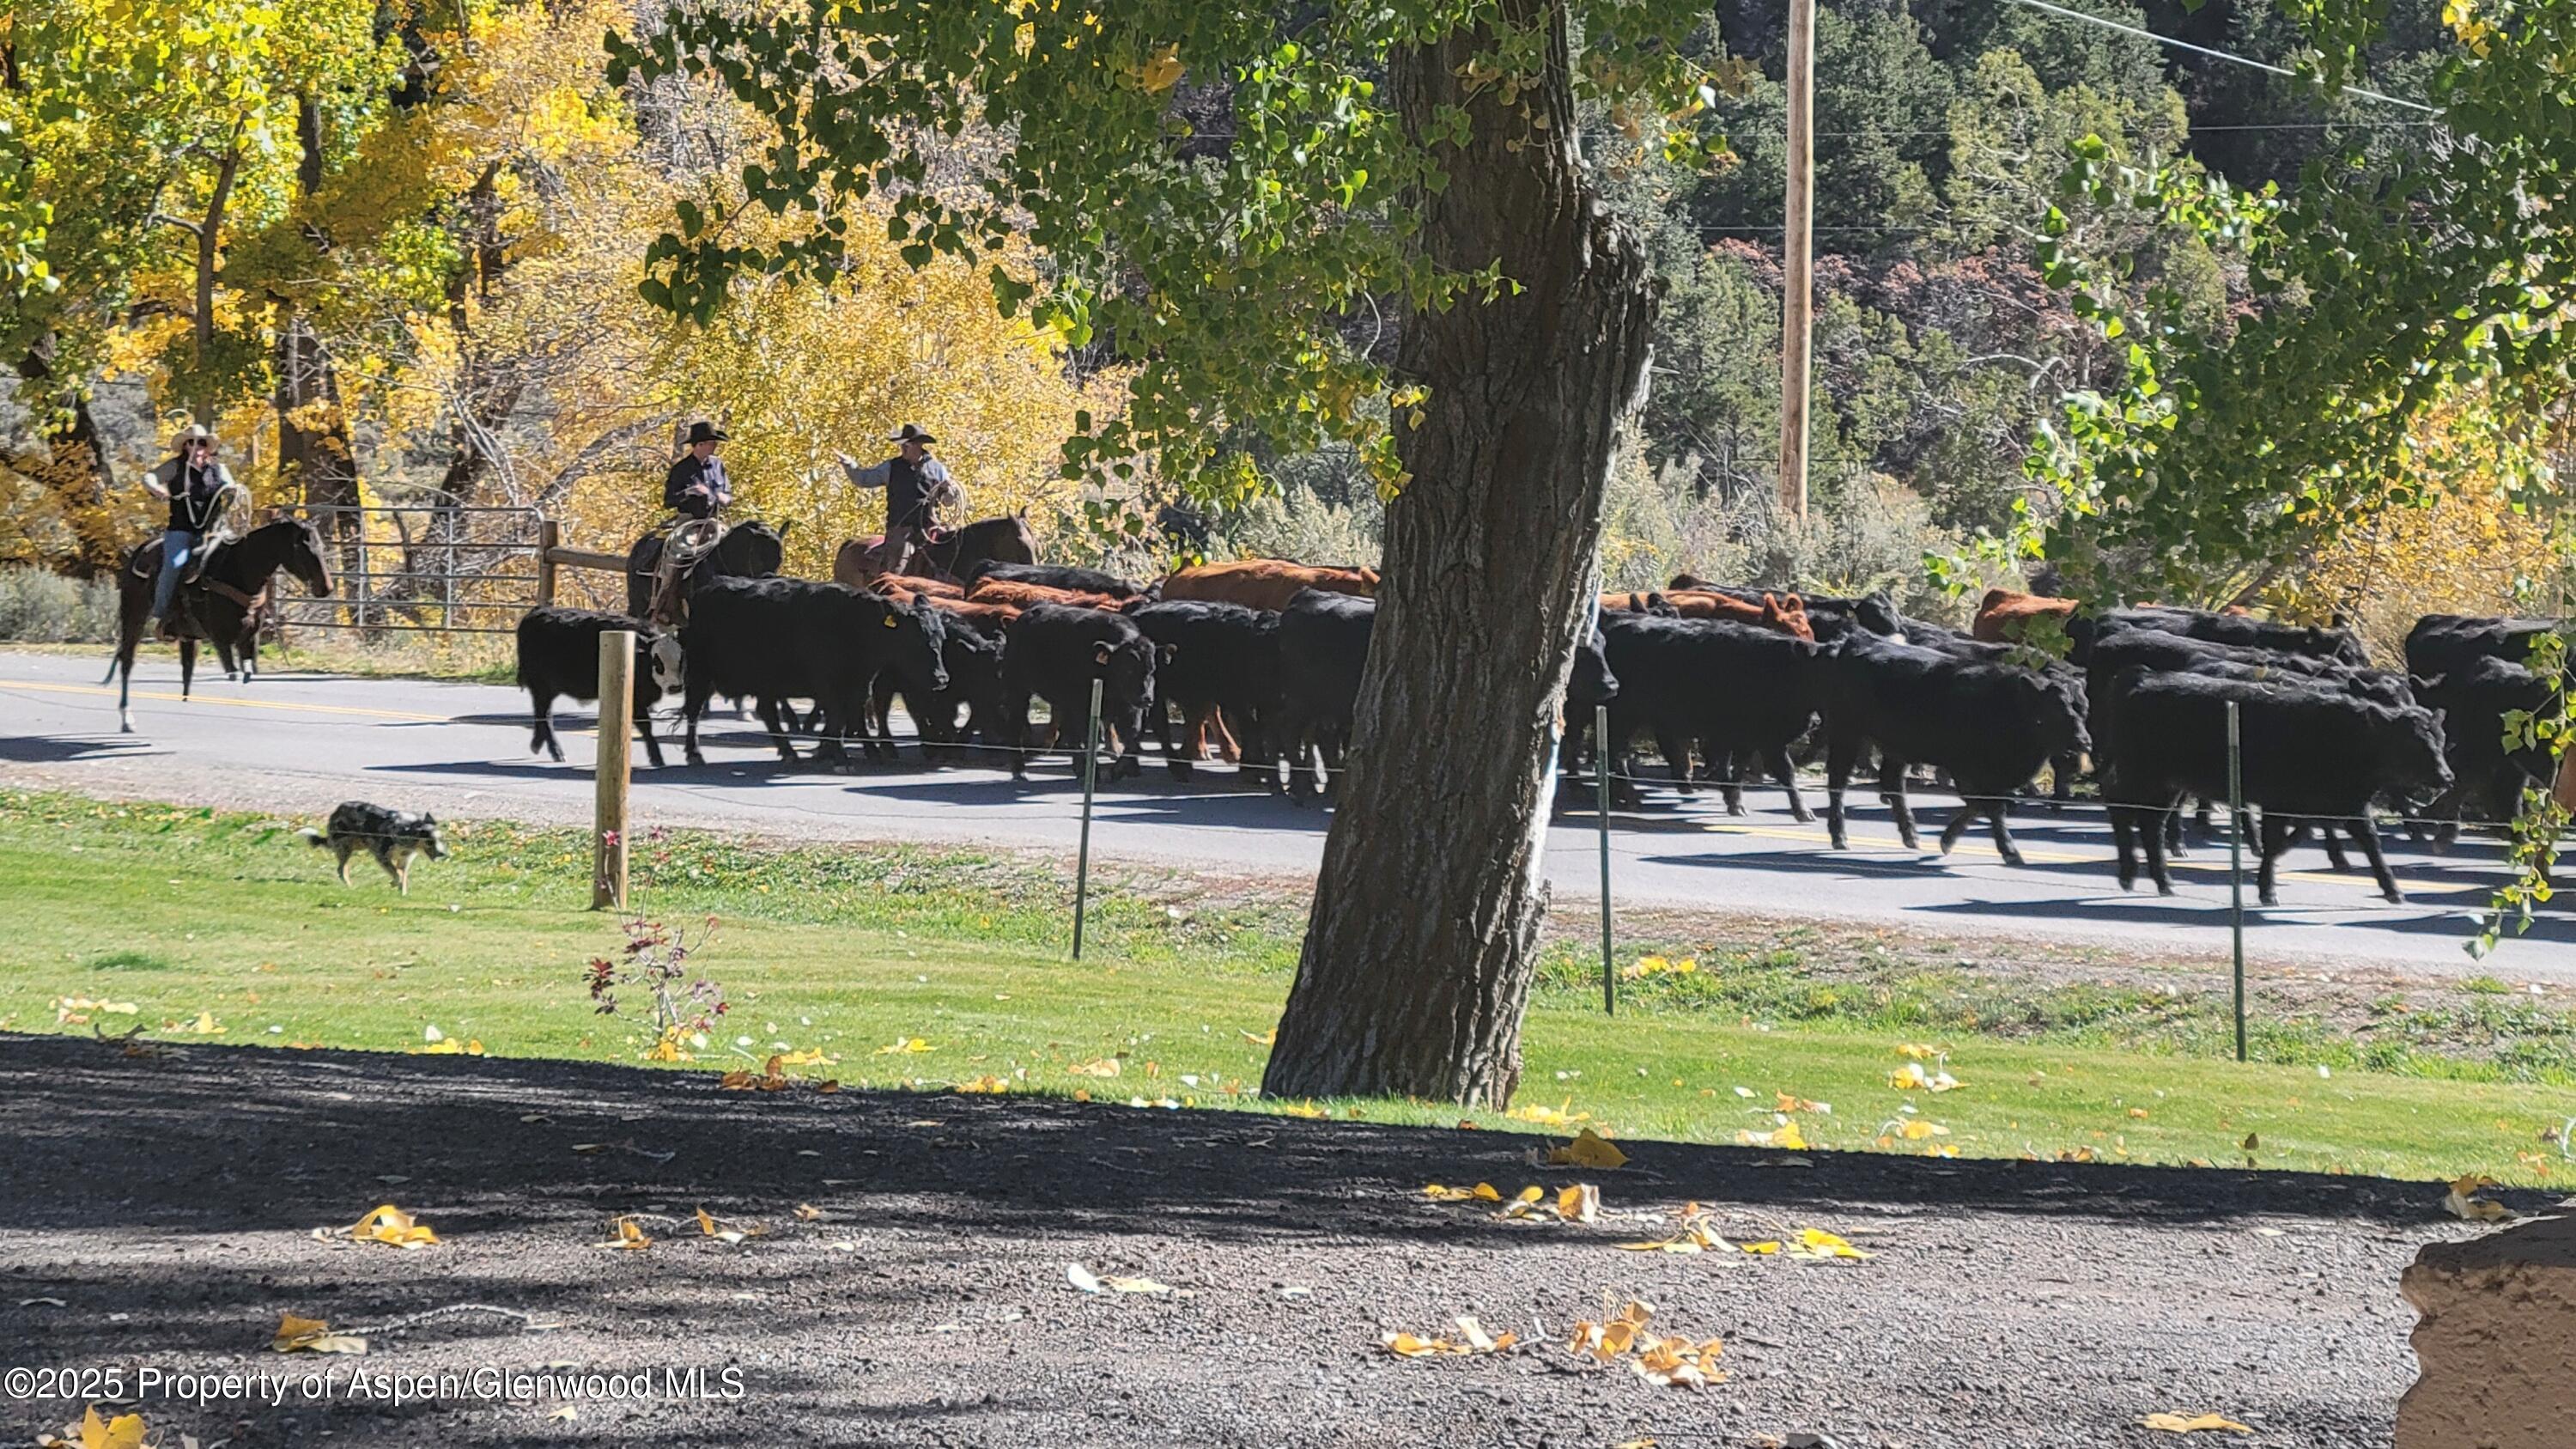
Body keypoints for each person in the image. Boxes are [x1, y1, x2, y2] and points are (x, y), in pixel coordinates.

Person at [139, 423, 234, 632]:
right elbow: (149, 477)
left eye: (201, 442)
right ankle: (161, 613)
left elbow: (232, 490)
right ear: (185, 446)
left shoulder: (219, 469)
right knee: (175, 564)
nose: (197, 446)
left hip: (213, 530)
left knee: (234, 561)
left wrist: (233, 496)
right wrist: (157, 489)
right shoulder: (175, 467)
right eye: (192, 442)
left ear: (208, 446)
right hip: (182, 529)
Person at [837, 423, 954, 577]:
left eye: (908, 445)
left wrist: (948, 490)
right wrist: (850, 466)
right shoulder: (892, 467)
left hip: (930, 527)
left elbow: (948, 501)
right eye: (902, 446)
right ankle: (890, 591)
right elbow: (865, 479)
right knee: (898, 567)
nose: (903, 449)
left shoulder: (937, 469)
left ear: (919, 445)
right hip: (902, 528)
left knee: (956, 548)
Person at [663, 420, 732, 521]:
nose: (715, 446)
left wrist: (725, 499)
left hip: (716, 518)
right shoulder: (680, 469)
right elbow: (668, 502)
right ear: (700, 445)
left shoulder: (717, 465)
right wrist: (689, 492)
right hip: (689, 519)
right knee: (688, 537)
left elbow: (728, 495)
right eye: (712, 443)